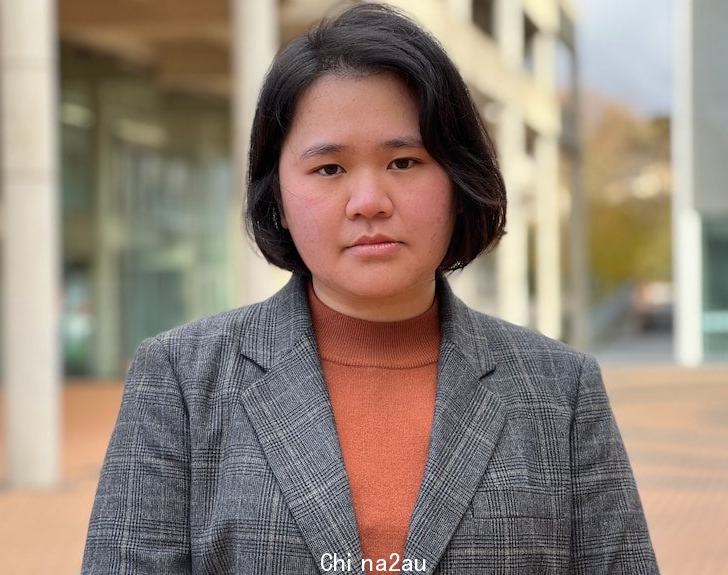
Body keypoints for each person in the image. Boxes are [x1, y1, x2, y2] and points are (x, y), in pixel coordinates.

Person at [82, 4, 659, 574]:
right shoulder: (182, 379)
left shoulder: (560, 390)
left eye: (404, 162)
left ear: (457, 180)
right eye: (329, 169)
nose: (369, 202)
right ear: (276, 198)